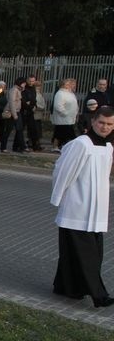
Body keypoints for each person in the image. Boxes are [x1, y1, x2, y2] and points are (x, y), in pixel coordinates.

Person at [51, 106, 114, 308]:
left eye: (110, 124)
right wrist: (59, 197)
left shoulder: (108, 147)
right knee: (89, 257)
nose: (105, 127)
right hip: (77, 209)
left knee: (73, 253)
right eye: (101, 122)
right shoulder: (81, 144)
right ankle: (99, 295)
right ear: (93, 121)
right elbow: (64, 170)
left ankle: (67, 287)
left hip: (96, 212)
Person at [50, 78, 78, 151]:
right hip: (63, 118)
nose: (72, 85)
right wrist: (65, 113)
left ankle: (61, 146)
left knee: (61, 133)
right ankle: (56, 146)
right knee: (61, 133)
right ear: (65, 85)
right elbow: (57, 106)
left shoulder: (70, 93)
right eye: (69, 84)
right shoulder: (60, 93)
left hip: (69, 118)